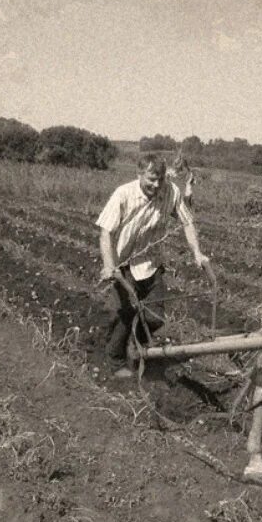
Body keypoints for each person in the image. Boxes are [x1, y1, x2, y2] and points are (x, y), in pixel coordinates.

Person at [96, 154, 209, 378]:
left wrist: (197, 252)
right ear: (139, 174)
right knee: (122, 314)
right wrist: (109, 265)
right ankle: (116, 361)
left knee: (155, 318)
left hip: (152, 263)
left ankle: (136, 346)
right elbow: (105, 233)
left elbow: (187, 222)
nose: (156, 186)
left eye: (160, 180)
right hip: (124, 265)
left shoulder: (171, 192)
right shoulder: (123, 194)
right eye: (151, 180)